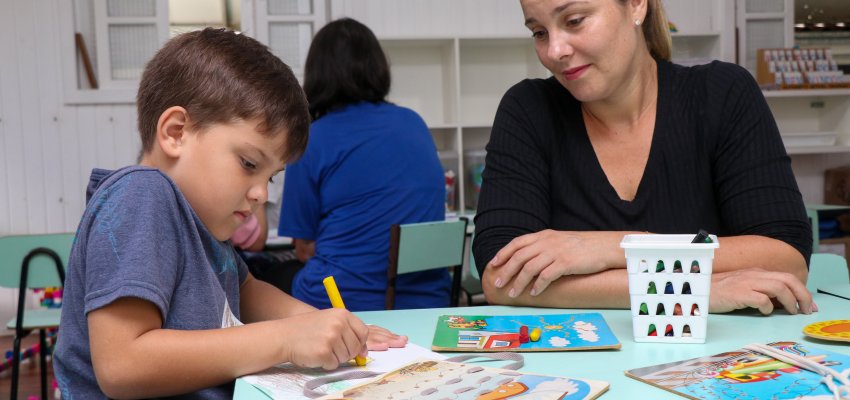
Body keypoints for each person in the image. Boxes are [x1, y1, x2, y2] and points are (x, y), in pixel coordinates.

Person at [53, 28, 406, 400]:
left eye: (270, 175)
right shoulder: (142, 194)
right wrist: (286, 339)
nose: (261, 193)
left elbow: (248, 291)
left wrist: (323, 324)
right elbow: (122, 365)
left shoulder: (201, 226)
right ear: (176, 133)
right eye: (248, 163)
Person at [472, 0, 816, 316]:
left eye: (575, 21)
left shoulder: (722, 94)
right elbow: (501, 279)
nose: (555, 50)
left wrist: (613, 248)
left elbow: (786, 258)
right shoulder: (528, 109)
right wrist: (691, 289)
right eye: (539, 32)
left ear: (637, 5)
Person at [278, 18, 448, 311]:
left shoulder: (311, 138)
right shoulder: (414, 123)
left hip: (340, 303)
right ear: (378, 68)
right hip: (428, 300)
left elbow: (304, 248)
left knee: (266, 278)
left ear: (316, 75)